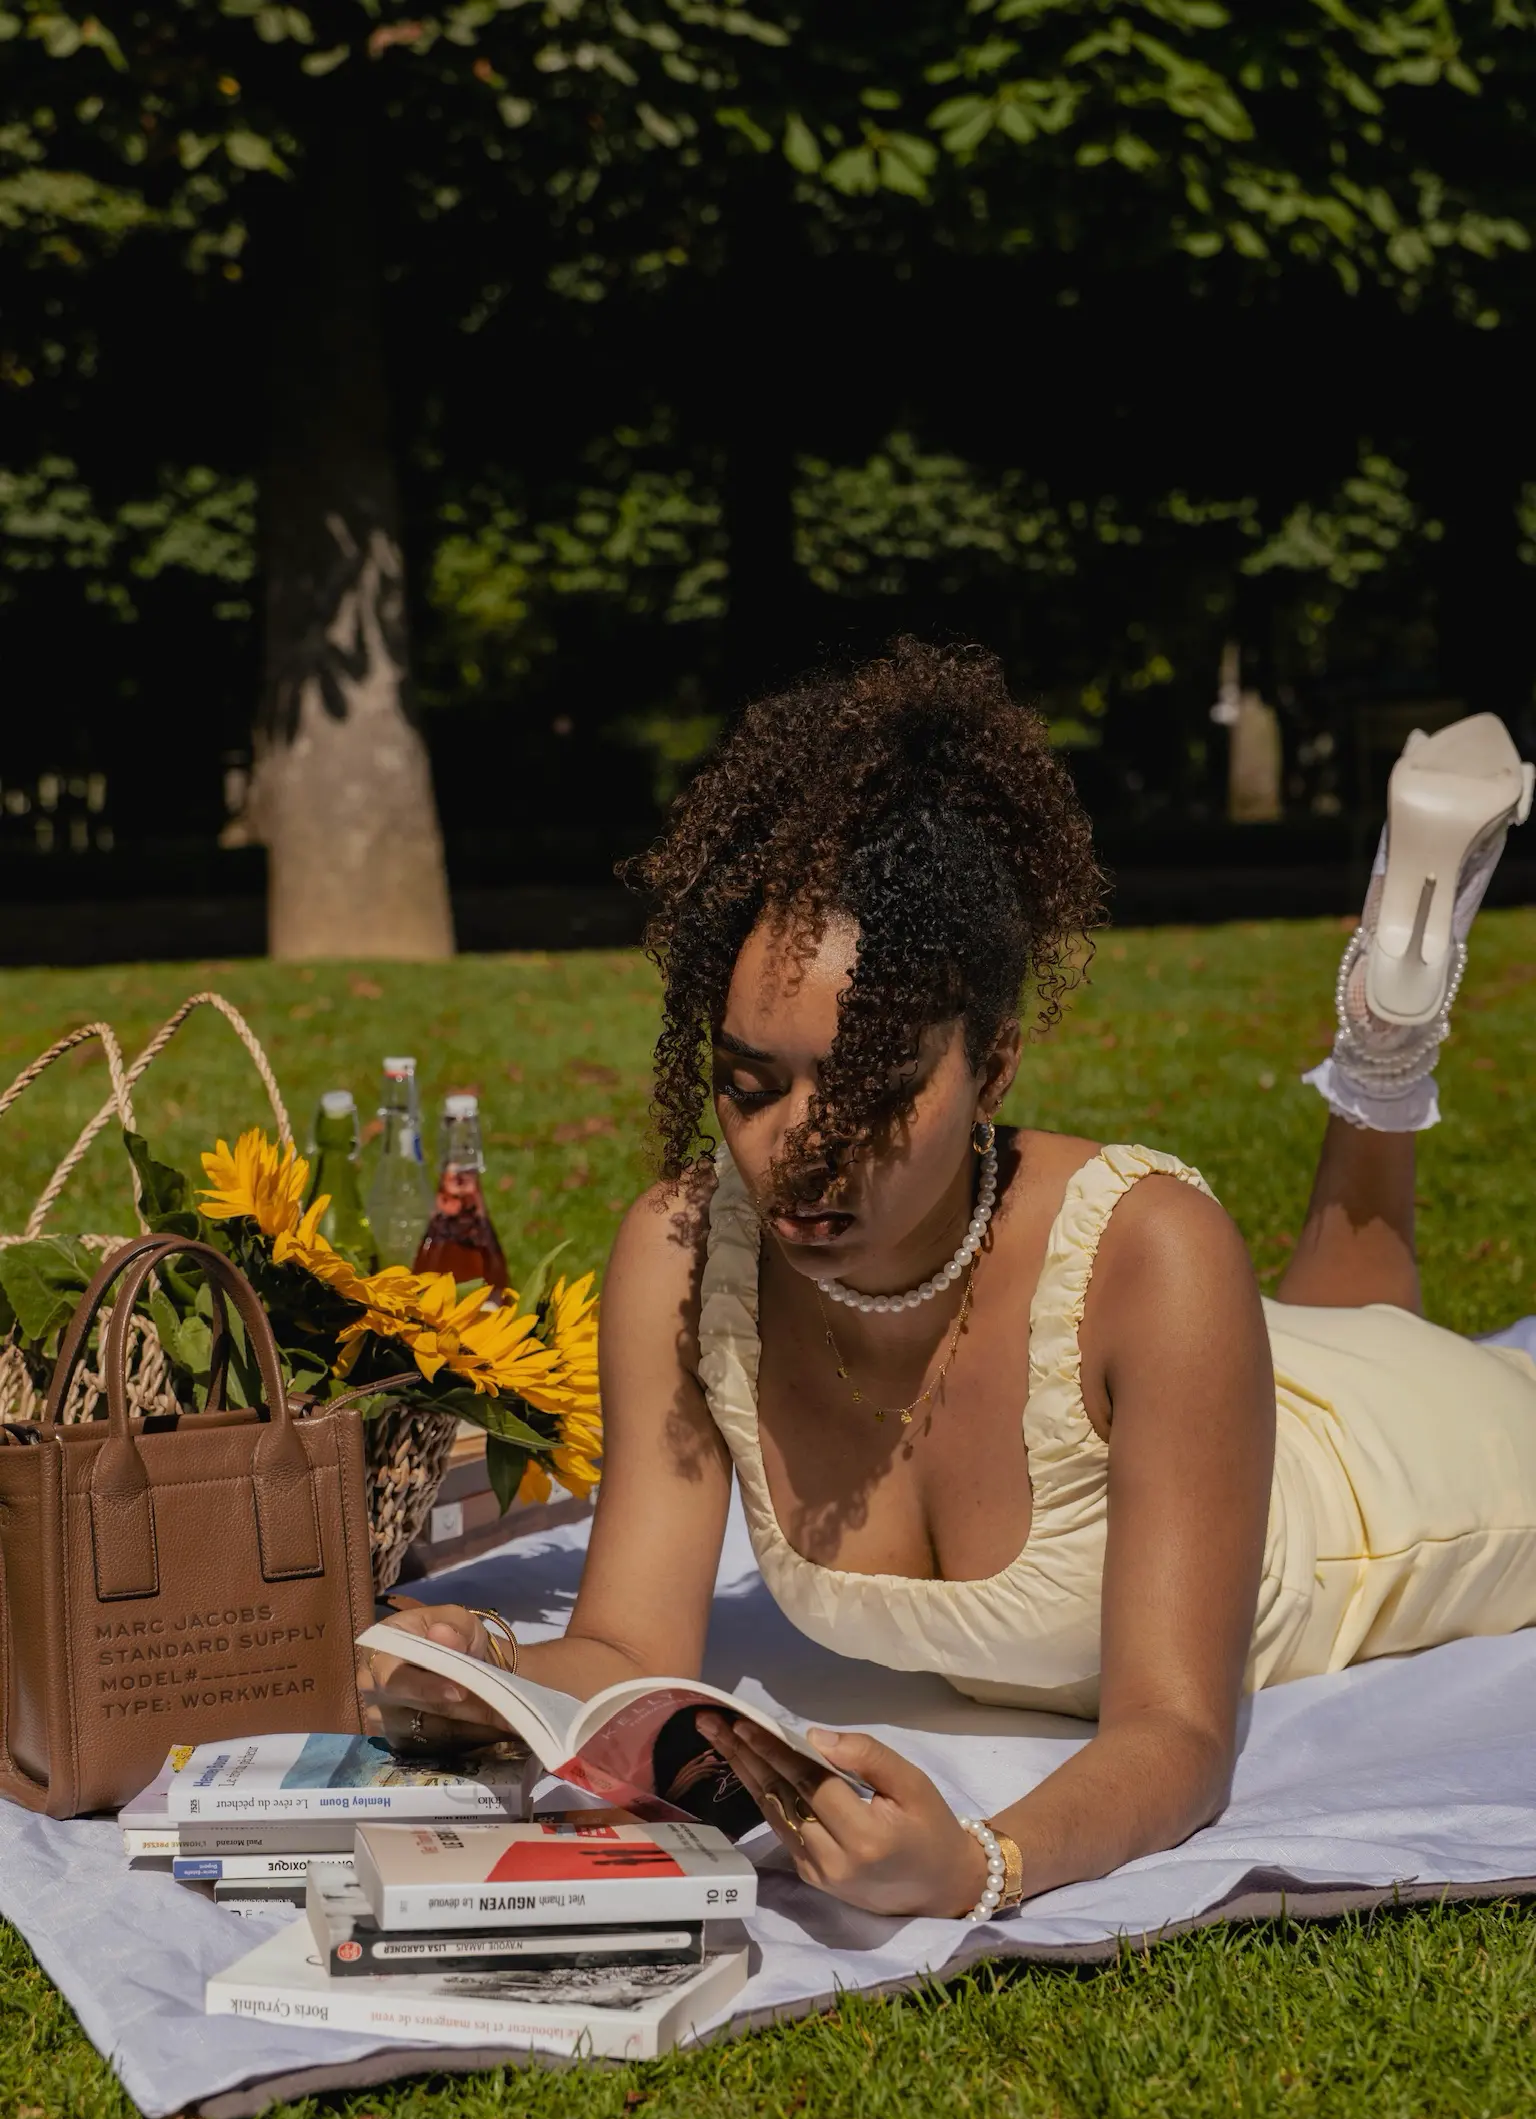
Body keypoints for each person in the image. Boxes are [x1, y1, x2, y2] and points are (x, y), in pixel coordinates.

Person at [369, 640, 1536, 1924]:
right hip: (1202, 1376)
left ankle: (1385, 1034)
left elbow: (1179, 1733)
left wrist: (981, 1863)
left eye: (872, 1092)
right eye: (750, 1087)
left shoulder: (1155, 1250)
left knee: (1391, 1352)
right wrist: (487, 1666)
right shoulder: (684, 1252)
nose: (796, 1150)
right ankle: (1384, 1023)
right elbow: (632, 1654)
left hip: (1393, 1493)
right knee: (1325, 1325)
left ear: (995, 1070)